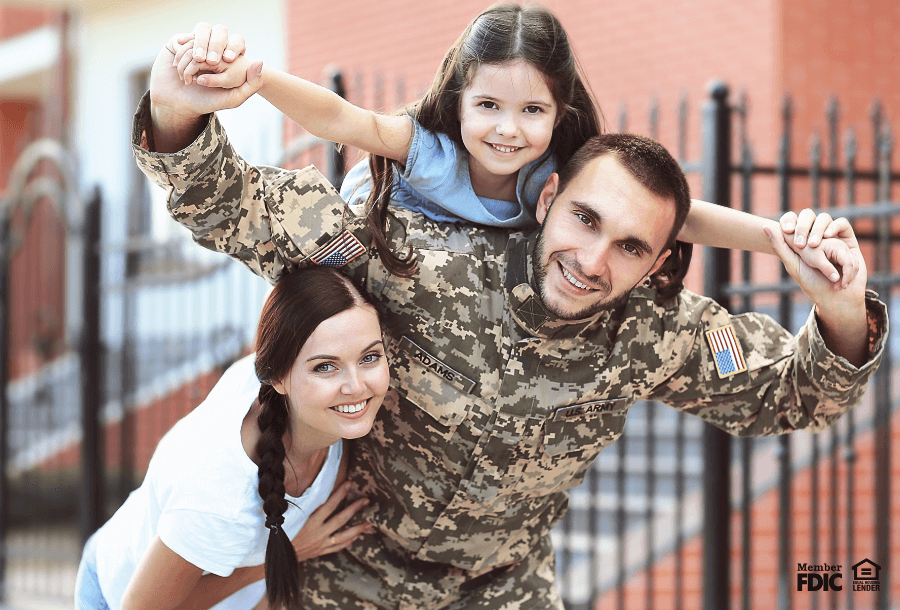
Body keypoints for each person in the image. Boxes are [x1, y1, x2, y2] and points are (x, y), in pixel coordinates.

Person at [134, 29, 887, 610]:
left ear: (661, 260)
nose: (594, 260)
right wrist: (175, 107)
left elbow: (795, 396)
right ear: (550, 195)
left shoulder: (657, 331)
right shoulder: (408, 253)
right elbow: (235, 207)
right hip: (348, 581)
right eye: (585, 220)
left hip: (505, 588)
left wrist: (839, 307)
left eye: (630, 247)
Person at [171, 4, 857, 287]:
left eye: (531, 110)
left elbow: (678, 215)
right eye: (489, 106)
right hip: (359, 249)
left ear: (559, 116)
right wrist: (256, 80)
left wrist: (777, 239)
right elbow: (344, 119)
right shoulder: (433, 150)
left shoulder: (557, 175)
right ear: (459, 102)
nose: (507, 129)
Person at [74, 266, 388, 610]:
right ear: (277, 378)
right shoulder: (219, 492)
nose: (357, 386)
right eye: (325, 367)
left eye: (370, 357)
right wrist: (290, 552)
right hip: (112, 594)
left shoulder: (318, 415)